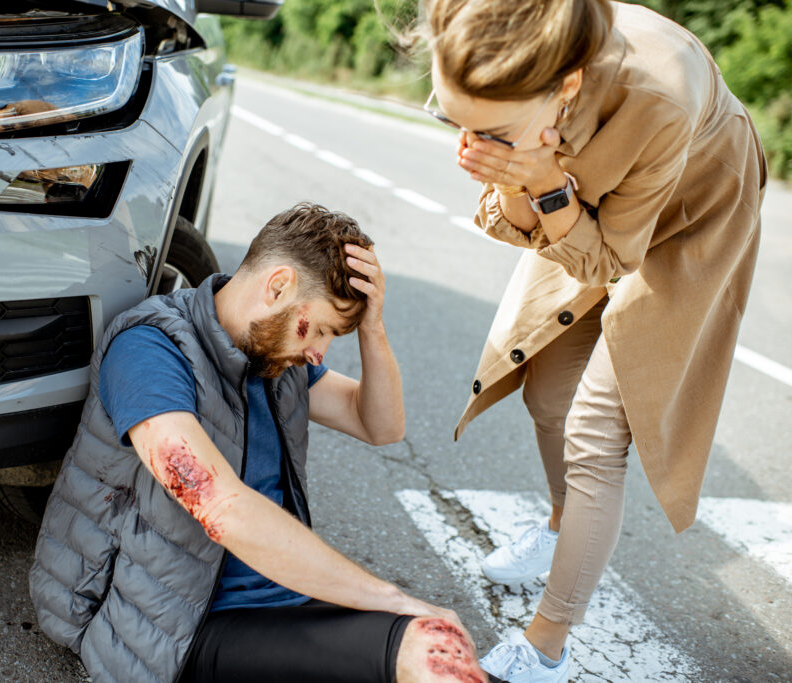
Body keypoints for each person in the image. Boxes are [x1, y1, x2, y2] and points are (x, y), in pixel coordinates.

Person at [419, 0, 765, 680]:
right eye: (454, 118)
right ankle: (557, 527)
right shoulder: (506, 53)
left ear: (566, 88)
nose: (470, 140)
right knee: (546, 389)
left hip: (694, 205)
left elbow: (608, 259)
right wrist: (513, 175)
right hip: (581, 194)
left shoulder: (655, 99)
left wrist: (545, 182)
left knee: (596, 428)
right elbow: (514, 223)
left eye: (489, 130)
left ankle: (547, 645)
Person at [30, 203, 490, 683]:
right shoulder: (150, 350)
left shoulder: (275, 358)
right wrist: (397, 601)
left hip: (281, 602)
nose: (318, 351)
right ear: (277, 287)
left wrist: (372, 329)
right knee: (429, 650)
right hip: (175, 627)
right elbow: (218, 505)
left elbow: (379, 425)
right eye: (321, 330)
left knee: (441, 655)